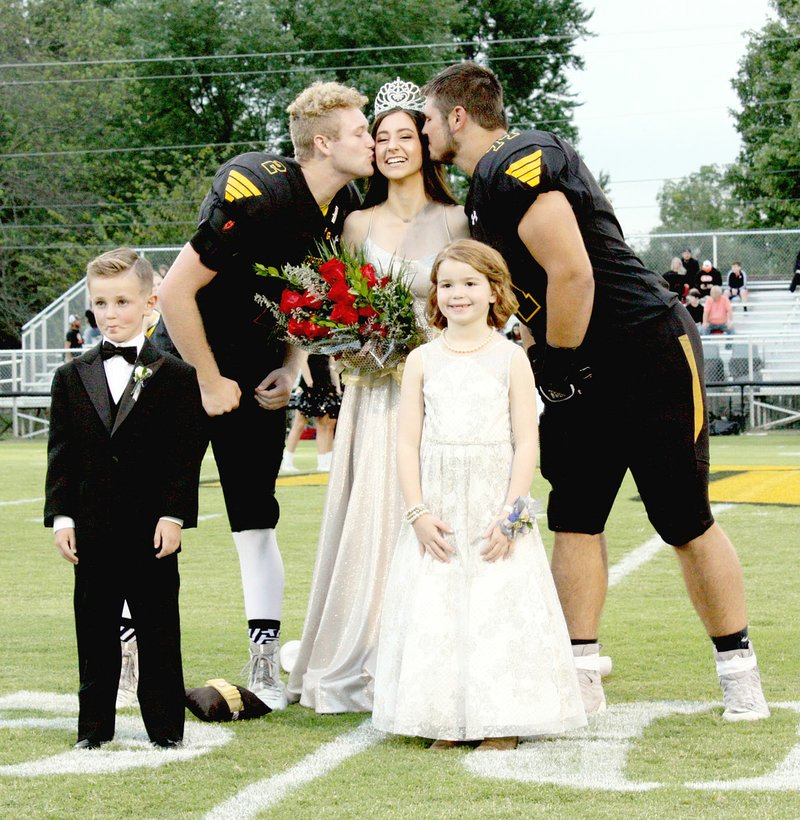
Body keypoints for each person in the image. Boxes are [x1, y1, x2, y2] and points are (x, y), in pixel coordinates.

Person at [420, 61, 769, 721]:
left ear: (458, 117)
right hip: (580, 363)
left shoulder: (517, 160)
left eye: (430, 119)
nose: (424, 130)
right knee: (574, 516)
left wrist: (556, 362)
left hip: (644, 350)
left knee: (683, 517)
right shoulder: (481, 189)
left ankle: (738, 671)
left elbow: (572, 274)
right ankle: (579, 674)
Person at [157, 81, 374, 710]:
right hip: (185, 367)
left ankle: (263, 657)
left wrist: (291, 361)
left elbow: (301, 302)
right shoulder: (257, 189)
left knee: (255, 517)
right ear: (325, 142)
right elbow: (174, 294)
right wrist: (205, 376)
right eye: (361, 131)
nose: (371, 139)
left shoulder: (341, 207)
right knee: (153, 510)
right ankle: (131, 645)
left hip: (253, 373)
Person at [287, 78, 469, 713]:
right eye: (382, 137)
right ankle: (364, 650)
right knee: (375, 516)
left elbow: (470, 301)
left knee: (439, 511)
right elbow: (333, 306)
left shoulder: (455, 219)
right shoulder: (356, 223)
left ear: (425, 143)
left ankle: (432, 651)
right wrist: (350, 343)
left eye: (404, 136)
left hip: (439, 389)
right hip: (374, 390)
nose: (392, 147)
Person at [372, 238, 585, 749]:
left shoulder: (511, 357)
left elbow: (526, 438)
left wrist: (513, 513)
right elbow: (406, 441)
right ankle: (445, 717)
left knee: (498, 605)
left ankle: (501, 719)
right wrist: (418, 512)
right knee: (438, 607)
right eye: (447, 285)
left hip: (494, 500)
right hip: (440, 502)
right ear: (435, 294)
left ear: (494, 291)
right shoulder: (422, 358)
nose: (457, 294)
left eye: (470, 284)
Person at [44, 248, 205, 749]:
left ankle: (165, 729)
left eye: (122, 302)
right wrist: (62, 518)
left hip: (151, 528)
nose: (110, 314)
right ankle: (93, 730)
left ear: (149, 302)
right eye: (100, 303)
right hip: (91, 528)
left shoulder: (176, 376)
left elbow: (185, 456)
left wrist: (174, 515)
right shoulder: (70, 377)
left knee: (159, 627)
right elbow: (61, 455)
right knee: (93, 631)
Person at [281, 353, 341, 473]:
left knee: (325, 425)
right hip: (310, 385)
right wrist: (309, 382)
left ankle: (325, 462)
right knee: (299, 424)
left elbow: (332, 362)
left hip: (325, 384)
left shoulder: (329, 339)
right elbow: (302, 360)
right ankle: (287, 461)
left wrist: (337, 386)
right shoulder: (308, 338)